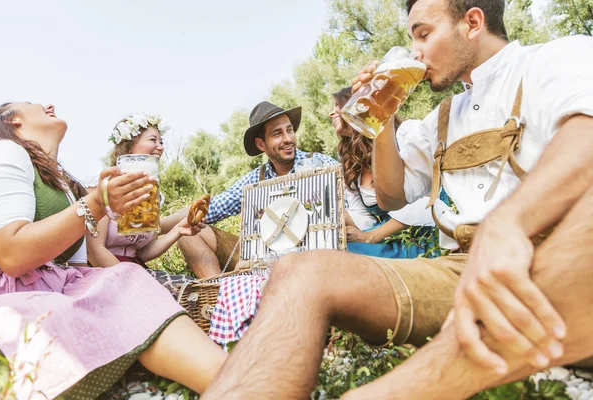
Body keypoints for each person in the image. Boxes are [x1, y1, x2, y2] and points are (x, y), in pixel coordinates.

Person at [200, 0, 593, 398]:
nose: (416, 51)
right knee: (297, 271)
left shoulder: (556, 58)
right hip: (458, 271)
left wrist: (507, 224)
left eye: (424, 34)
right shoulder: (442, 117)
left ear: (472, 23)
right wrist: (382, 119)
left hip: (561, 256)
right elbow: (391, 195)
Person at [0, 102, 226, 399]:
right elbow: (11, 255)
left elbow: (80, 268)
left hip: (64, 283)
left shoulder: (62, 184)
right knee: (126, 284)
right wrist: (98, 204)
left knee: (129, 282)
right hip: (12, 293)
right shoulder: (4, 150)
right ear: (13, 120)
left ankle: (232, 381)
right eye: (35, 105)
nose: (50, 105)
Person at [167, 101, 338, 278]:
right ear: (261, 144)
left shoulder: (322, 164)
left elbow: (346, 214)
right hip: (264, 259)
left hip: (315, 257)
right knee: (188, 234)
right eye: (277, 134)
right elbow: (212, 208)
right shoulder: (256, 179)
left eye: (289, 130)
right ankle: (223, 299)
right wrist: (155, 228)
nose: (288, 139)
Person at [87, 113, 206, 297]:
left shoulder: (152, 193)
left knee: (193, 290)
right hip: (104, 274)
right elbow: (94, 250)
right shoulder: (105, 186)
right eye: (153, 140)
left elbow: (140, 253)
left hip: (137, 269)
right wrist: (135, 284)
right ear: (129, 145)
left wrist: (177, 231)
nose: (160, 147)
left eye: (162, 142)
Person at [331, 86, 441, 258]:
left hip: (422, 237)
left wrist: (371, 237)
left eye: (337, 106)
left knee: (346, 257)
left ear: (358, 106)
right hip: (385, 241)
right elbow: (365, 218)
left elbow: (423, 202)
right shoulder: (352, 165)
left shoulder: (404, 136)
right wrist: (341, 216)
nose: (332, 113)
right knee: (334, 249)